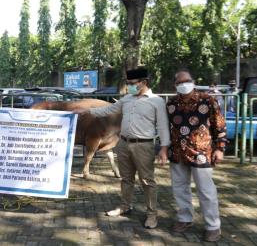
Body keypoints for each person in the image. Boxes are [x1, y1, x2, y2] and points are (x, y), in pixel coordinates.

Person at [74, 68, 170, 229]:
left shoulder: (157, 101)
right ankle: (125, 206)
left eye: (132, 83)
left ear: (143, 82)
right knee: (126, 179)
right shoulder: (127, 99)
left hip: (144, 145)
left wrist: (164, 148)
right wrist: (86, 111)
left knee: (147, 181)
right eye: (128, 83)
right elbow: (108, 109)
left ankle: (152, 214)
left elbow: (163, 126)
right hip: (124, 144)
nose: (129, 86)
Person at [163, 69, 226, 242]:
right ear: (175, 85)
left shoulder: (208, 100)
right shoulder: (171, 104)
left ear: (193, 81)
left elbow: (219, 125)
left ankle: (213, 226)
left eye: (187, 80)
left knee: (206, 191)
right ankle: (184, 219)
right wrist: (163, 149)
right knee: (180, 188)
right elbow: (166, 128)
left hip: (202, 153)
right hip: (177, 153)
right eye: (180, 82)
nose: (184, 84)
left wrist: (220, 148)